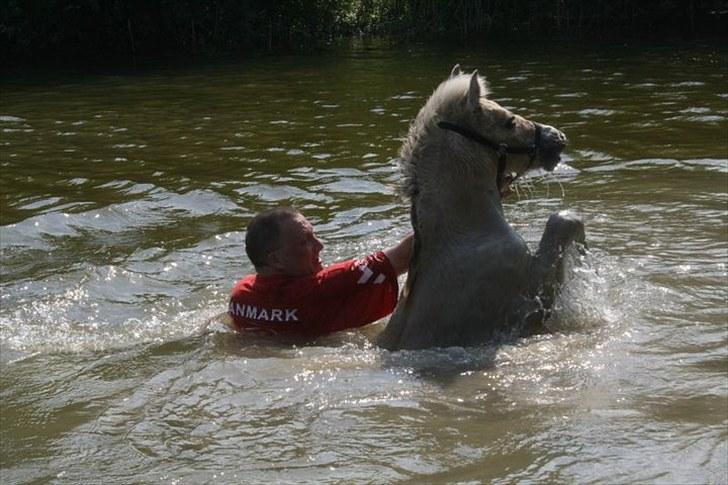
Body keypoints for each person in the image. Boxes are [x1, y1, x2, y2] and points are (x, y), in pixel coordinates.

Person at [228, 207, 412, 337]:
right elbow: (404, 256)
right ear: (275, 259)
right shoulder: (320, 288)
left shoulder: (240, 294)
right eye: (305, 242)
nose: (320, 245)